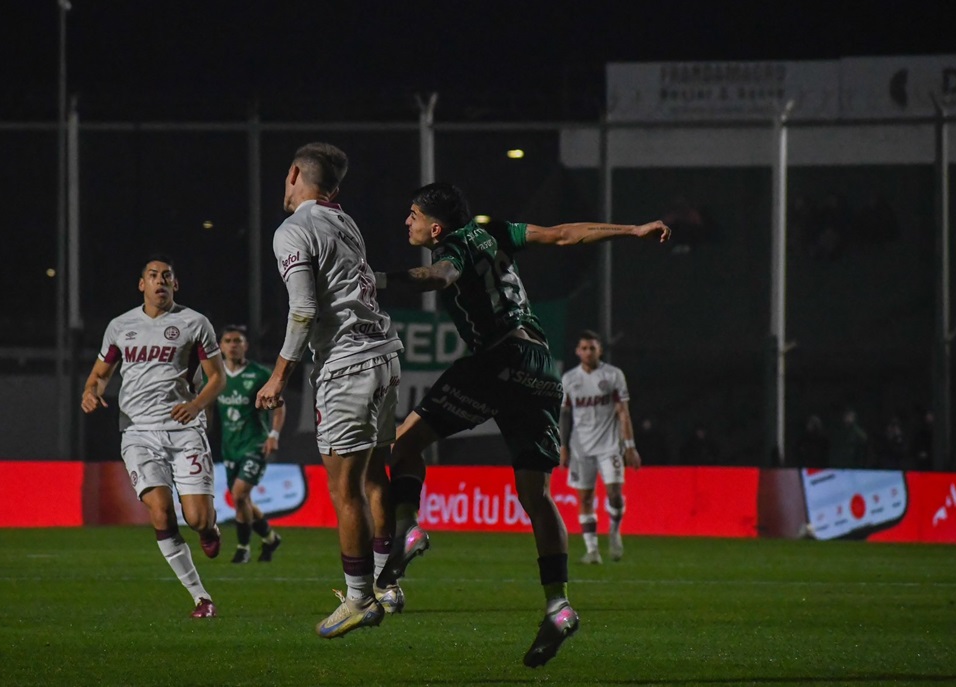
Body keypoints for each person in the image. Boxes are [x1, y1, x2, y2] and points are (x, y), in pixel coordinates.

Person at [373, 182, 669, 668]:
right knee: (536, 496)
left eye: (413, 214)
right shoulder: (494, 234)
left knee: (402, 449)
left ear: (437, 226)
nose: (407, 221)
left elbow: (441, 275)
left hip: (498, 358)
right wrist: (632, 229)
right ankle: (558, 603)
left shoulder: (452, 248)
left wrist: (380, 280)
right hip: (540, 363)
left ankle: (408, 530)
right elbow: (563, 235)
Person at [254, 142, 404, 639]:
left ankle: (360, 599)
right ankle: (386, 585)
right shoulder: (345, 221)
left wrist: (278, 377)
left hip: (347, 367)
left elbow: (303, 311)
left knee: (346, 490)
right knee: (376, 477)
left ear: (294, 172)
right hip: (384, 355)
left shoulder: (293, 230)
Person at [81, 254, 226, 619]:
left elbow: (218, 378)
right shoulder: (120, 326)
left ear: (175, 285)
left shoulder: (195, 323)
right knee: (161, 513)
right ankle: (201, 598)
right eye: (152, 275)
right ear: (141, 284)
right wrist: (90, 391)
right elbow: (100, 373)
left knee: (196, 519)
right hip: (138, 433)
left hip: (185, 430)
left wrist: (195, 406)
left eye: (167, 276)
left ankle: (209, 529)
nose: (160, 281)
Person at [559, 330, 639, 565]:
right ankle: (592, 549)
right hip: (580, 448)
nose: (587, 352)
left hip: (609, 446)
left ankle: (614, 530)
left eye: (592, 348)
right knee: (584, 498)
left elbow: (623, 412)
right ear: (577, 351)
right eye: (583, 348)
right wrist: (563, 447)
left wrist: (630, 446)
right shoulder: (569, 379)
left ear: (599, 350)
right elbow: (564, 414)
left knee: (614, 494)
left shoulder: (613, 375)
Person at [211, 324, 286, 564]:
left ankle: (243, 548)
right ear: (220, 347)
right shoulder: (215, 376)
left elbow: (279, 405)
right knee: (242, 500)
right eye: (228, 341)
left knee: (240, 493)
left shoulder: (259, 374)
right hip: (230, 446)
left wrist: (274, 434)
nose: (233, 345)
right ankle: (271, 538)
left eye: (238, 340)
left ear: (246, 346)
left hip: (255, 444)